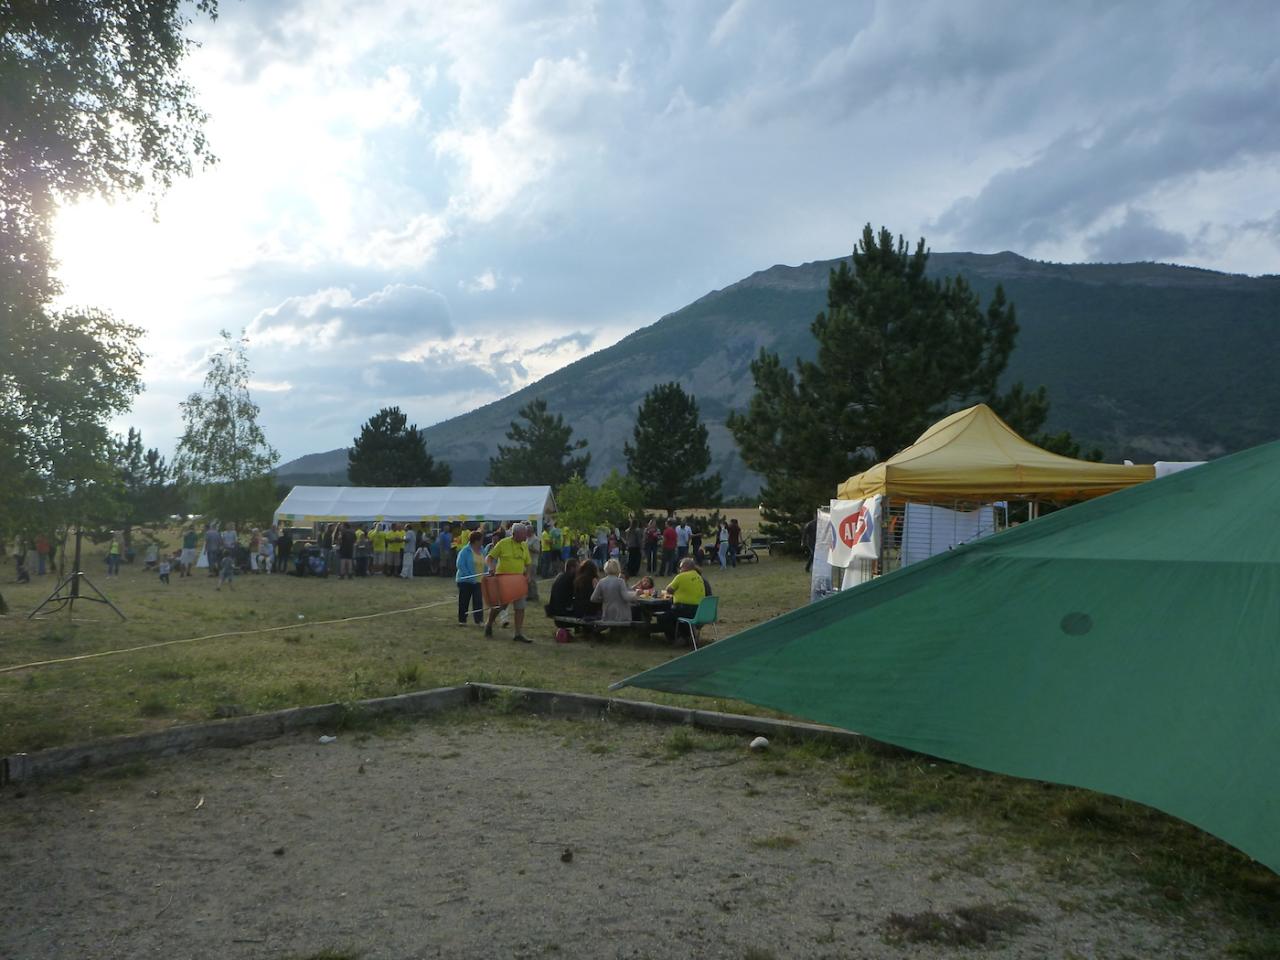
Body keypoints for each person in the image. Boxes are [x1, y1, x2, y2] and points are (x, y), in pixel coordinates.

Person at [484, 523, 533, 642]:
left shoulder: (524, 546)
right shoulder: (503, 543)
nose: (525, 536)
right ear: (515, 534)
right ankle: (489, 624)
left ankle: (518, 634)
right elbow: (489, 558)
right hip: (504, 581)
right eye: (523, 534)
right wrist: (491, 567)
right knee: (501, 606)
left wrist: (528, 575)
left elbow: (528, 563)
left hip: (519, 581)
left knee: (520, 607)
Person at [659, 557, 707, 644]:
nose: (679, 570)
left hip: (684, 608)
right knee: (674, 615)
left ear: (685, 567)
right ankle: (687, 636)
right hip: (698, 610)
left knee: (663, 618)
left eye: (680, 568)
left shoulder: (681, 576)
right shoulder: (699, 577)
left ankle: (676, 638)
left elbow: (669, 590)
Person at [591, 558, 639, 622]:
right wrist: (636, 594)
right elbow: (626, 597)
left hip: (607, 614)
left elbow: (593, 598)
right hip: (620, 615)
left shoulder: (601, 581)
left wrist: (603, 599)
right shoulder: (620, 581)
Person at [455, 530, 486, 625]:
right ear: (476, 541)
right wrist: (469, 576)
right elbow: (460, 565)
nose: (482, 542)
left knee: (478, 601)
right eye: (481, 540)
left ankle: (479, 620)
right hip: (465, 581)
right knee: (464, 601)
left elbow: (486, 563)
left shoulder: (483, 550)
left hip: (479, 580)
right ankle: (462, 620)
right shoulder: (465, 551)